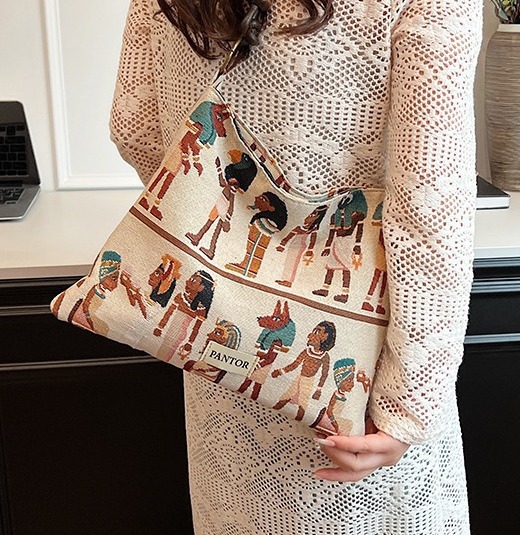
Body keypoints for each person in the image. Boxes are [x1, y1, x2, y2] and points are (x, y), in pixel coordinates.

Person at [109, 0, 483, 533]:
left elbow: (134, 125)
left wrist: (227, 225)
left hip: (221, 356)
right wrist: (409, 406)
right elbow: (430, 209)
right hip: (365, 382)